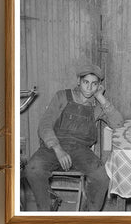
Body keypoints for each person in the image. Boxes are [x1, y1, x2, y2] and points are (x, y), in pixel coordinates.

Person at [25, 64, 124, 211]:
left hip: (81, 151)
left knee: (101, 176)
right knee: (32, 169)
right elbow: (44, 125)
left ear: (98, 86)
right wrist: (57, 149)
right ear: (79, 81)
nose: (89, 88)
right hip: (53, 146)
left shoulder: (97, 105)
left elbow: (118, 123)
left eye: (94, 84)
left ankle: (89, 215)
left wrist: (100, 98)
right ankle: (46, 211)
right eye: (86, 82)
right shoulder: (62, 96)